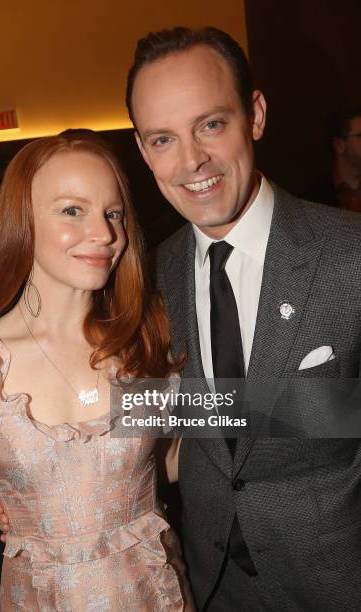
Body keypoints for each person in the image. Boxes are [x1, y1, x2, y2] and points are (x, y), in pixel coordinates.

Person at [123, 26, 361, 611]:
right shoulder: (149, 275)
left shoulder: (351, 253)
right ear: (141, 148)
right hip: (207, 586)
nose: (191, 161)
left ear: (254, 114)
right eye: (162, 139)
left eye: (210, 124)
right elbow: (154, 420)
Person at [0, 132, 192, 611]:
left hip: (152, 594)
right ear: (23, 221)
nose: (104, 233)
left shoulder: (139, 342)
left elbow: (173, 460)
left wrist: (315, 409)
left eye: (113, 213)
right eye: (73, 210)